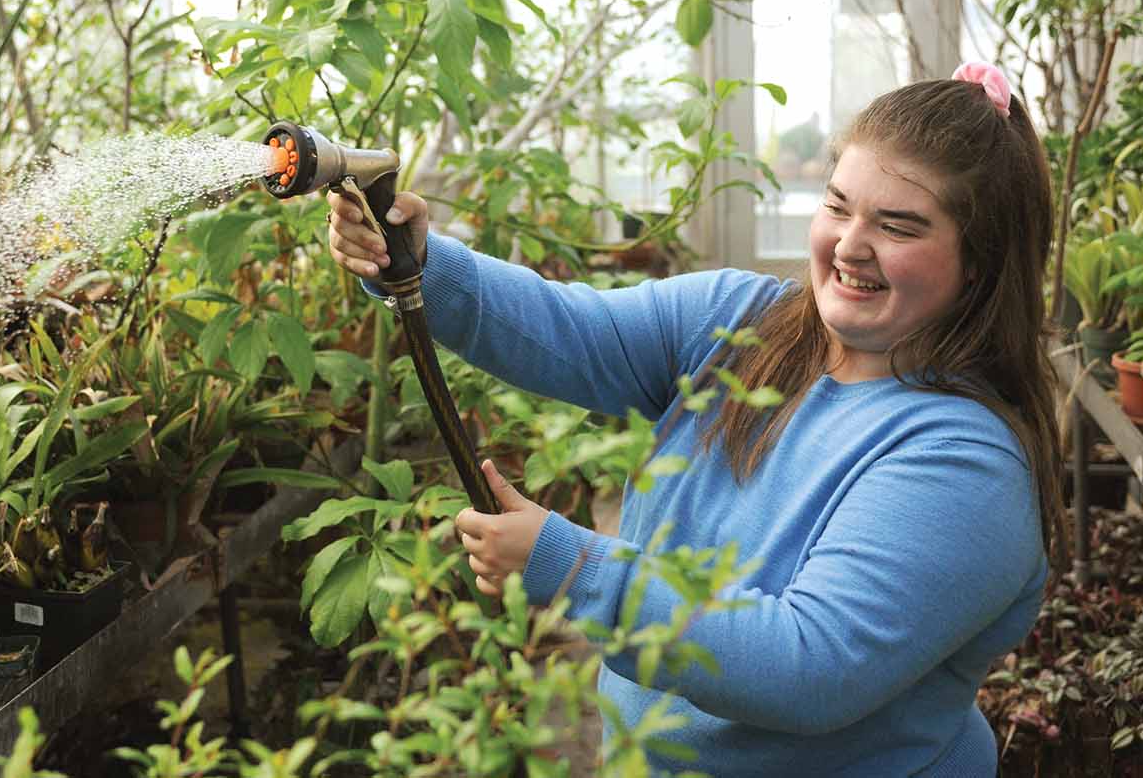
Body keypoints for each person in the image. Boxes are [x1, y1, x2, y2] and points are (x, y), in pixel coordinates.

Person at [325, 63, 1062, 777]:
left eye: (897, 226)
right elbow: (572, 331)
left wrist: (571, 563)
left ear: (979, 264)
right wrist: (419, 262)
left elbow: (805, 666)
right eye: (837, 205)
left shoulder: (965, 464)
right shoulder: (746, 321)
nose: (847, 245)